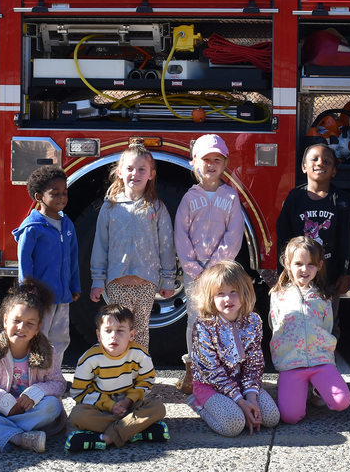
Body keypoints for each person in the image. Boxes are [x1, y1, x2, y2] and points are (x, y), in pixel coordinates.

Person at [89, 141, 177, 352]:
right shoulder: (110, 207)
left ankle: (140, 375)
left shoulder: (157, 208)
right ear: (120, 172)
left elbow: (167, 246)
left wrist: (168, 280)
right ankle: (116, 372)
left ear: (151, 174)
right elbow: (100, 245)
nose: (134, 174)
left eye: (141, 169)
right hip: (117, 282)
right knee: (117, 329)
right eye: (129, 168)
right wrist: (97, 279)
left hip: (146, 283)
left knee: (140, 330)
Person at [0, 279, 67, 453]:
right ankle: (20, 438)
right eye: (16, 320)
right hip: (1, 410)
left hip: (31, 412)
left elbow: (59, 383)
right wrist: (4, 402)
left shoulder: (47, 351)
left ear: (38, 328)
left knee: (52, 406)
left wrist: (37, 392)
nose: (21, 327)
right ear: (5, 321)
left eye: (29, 324)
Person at [174, 134, 244, 394]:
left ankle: (224, 370)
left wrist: (214, 269)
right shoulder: (189, 199)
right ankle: (193, 370)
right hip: (196, 274)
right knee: (195, 321)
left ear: (225, 163)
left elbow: (233, 235)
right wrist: (195, 269)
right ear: (194, 163)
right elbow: (181, 235)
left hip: (220, 275)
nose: (211, 164)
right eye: (206, 159)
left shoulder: (231, 197)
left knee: (223, 319)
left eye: (217, 159)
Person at [187, 260, 280, 437]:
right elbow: (211, 371)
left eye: (233, 292)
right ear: (210, 298)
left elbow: (254, 363)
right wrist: (240, 402)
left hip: (242, 382)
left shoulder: (253, 321)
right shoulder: (204, 326)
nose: (228, 299)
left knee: (271, 418)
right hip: (211, 385)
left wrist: (251, 397)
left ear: (244, 292)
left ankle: (239, 406)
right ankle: (197, 404)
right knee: (234, 425)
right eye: (220, 294)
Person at [268, 236, 350, 424]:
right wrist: (282, 359)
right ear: (288, 264)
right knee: (290, 417)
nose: (304, 270)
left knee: (341, 402)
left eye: (310, 264)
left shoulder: (324, 296)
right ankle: (295, 386)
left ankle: (316, 387)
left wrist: (328, 358)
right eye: (298, 264)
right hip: (292, 363)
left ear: (320, 265)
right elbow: (276, 327)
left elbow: (328, 328)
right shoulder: (278, 295)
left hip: (319, 362)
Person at [276, 143, 350, 337]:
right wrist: (284, 272)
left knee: (328, 320)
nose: (320, 163)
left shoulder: (341, 200)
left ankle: (328, 362)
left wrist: (346, 273)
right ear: (304, 166)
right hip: (299, 274)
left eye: (327, 161)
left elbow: (349, 239)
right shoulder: (295, 198)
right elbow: (283, 236)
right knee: (297, 318)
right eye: (314, 159)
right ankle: (298, 361)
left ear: (334, 171)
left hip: (330, 275)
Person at [65, 303, 168, 451]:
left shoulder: (140, 355)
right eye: (108, 331)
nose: (113, 335)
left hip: (129, 406)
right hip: (101, 408)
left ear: (131, 335)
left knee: (158, 408)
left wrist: (127, 401)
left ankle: (105, 439)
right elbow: (79, 392)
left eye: (120, 330)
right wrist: (109, 405)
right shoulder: (90, 359)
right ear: (99, 335)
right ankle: (134, 430)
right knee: (77, 415)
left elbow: (146, 382)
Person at [12, 165, 81, 368]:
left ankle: (54, 376)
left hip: (63, 297)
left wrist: (74, 286)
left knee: (60, 339)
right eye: (55, 193)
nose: (62, 197)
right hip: (41, 298)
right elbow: (24, 262)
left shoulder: (67, 224)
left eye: (65, 193)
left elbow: (73, 257)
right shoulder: (32, 227)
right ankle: (34, 377)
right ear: (39, 196)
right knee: (38, 338)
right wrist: (29, 292)